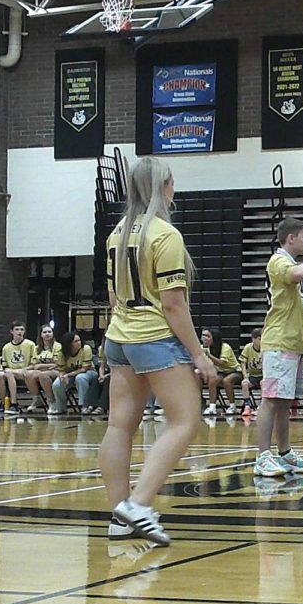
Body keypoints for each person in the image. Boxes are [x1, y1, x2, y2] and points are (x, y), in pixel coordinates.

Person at [99, 156, 217, 546]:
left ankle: (119, 515)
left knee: (120, 426)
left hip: (118, 337)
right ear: (162, 187)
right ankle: (140, 503)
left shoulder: (117, 234)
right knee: (185, 420)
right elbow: (173, 305)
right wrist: (199, 355)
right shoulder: (165, 235)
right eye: (172, 182)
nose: (174, 189)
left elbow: (113, 296)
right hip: (153, 338)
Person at [253, 217, 303, 478]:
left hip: (293, 345)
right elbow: (298, 274)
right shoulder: (278, 260)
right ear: (291, 238)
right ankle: (262, 457)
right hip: (278, 343)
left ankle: (285, 453)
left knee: (284, 402)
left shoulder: (288, 261)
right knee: (270, 400)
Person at [50, 330, 93, 415]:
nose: (79, 342)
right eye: (76, 341)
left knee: (80, 378)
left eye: (79, 340)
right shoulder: (62, 353)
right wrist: (62, 377)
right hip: (70, 374)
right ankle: (61, 407)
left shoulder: (86, 349)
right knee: (57, 384)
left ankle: (84, 406)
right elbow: (61, 370)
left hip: (89, 372)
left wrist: (67, 375)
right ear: (69, 344)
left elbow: (84, 369)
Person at [201, 328, 241, 416]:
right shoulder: (203, 348)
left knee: (227, 381)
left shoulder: (225, 347)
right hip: (221, 372)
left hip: (234, 371)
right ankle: (212, 407)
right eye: (203, 335)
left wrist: (209, 355)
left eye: (207, 336)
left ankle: (232, 406)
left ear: (214, 338)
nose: (204, 338)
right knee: (212, 381)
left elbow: (222, 363)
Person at [0, 321, 36, 415]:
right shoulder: (6, 347)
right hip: (11, 372)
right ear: (11, 331)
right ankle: (4, 404)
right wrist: (7, 370)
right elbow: (4, 365)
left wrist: (23, 369)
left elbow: (34, 364)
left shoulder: (30, 344)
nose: (19, 332)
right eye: (17, 329)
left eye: (22, 329)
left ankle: (14, 404)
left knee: (10, 373)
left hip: (26, 372)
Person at [24, 324, 60, 413]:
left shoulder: (57, 346)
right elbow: (34, 364)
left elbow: (57, 363)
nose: (47, 334)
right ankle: (37, 399)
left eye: (49, 332)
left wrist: (41, 366)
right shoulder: (36, 348)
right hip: (42, 371)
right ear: (41, 334)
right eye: (44, 332)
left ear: (53, 334)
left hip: (56, 371)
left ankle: (52, 401)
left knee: (43, 375)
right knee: (28, 374)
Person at [239, 327, 263, 414]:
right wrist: (245, 376)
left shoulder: (265, 349)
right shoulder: (248, 348)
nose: (261, 341)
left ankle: (261, 406)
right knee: (244, 384)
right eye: (259, 339)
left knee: (264, 383)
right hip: (252, 375)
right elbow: (243, 363)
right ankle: (247, 406)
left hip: (263, 375)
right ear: (253, 339)